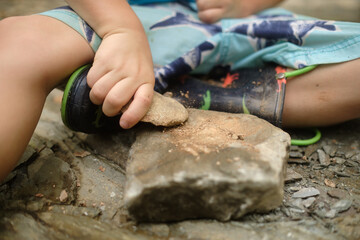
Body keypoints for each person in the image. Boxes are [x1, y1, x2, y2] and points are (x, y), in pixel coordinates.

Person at [0, 0, 359, 181]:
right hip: (128, 16)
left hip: (240, 24)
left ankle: (196, 95)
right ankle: (149, 90)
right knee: (18, 47)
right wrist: (120, 29)